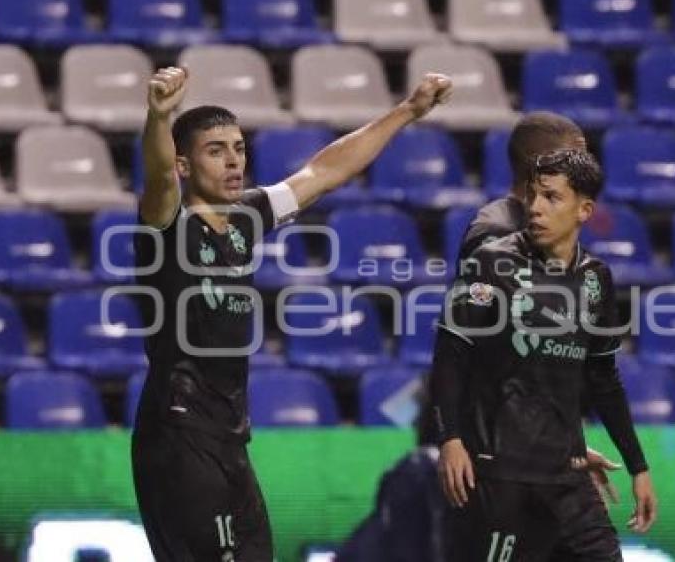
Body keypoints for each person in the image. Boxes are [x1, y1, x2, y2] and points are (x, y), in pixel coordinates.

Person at [130, 65, 452, 562]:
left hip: (229, 434)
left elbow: (322, 173)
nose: (234, 161)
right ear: (185, 166)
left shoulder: (247, 216)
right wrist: (158, 116)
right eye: (216, 151)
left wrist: (407, 111)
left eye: (238, 148)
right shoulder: (167, 223)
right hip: (178, 433)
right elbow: (156, 177)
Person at [431, 149, 657, 561]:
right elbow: (450, 355)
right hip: (500, 475)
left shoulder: (596, 279)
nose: (535, 208)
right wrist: (451, 439)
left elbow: (603, 378)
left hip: (567, 476)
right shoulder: (491, 262)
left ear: (583, 209)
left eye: (551, 197)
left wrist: (638, 467)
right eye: (534, 195)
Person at [457, 111, 620, 497]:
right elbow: (492, 356)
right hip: (500, 458)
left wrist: (567, 450)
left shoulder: (544, 230)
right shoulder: (494, 234)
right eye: (574, 160)